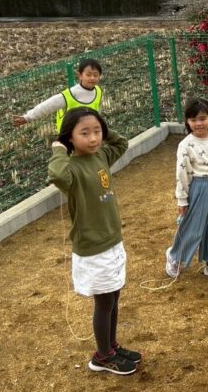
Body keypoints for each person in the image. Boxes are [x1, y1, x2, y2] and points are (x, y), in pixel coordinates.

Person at [49, 107, 141, 376]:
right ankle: (102, 356)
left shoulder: (101, 155)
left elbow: (121, 143)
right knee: (104, 302)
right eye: (84, 133)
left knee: (114, 294)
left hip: (112, 240)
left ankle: (111, 345)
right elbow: (57, 175)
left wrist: (104, 128)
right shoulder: (71, 169)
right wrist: (59, 150)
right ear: (69, 137)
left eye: (97, 131)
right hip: (92, 246)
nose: (93, 138)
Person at [165, 97, 208, 280]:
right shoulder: (186, 145)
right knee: (192, 226)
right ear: (187, 122)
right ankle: (174, 256)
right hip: (198, 187)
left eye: (202, 118)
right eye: (193, 120)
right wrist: (182, 199)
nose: (198, 123)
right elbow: (182, 173)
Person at [14, 57, 104, 130]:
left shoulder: (98, 91)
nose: (92, 78)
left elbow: (97, 111)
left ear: (99, 76)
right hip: (69, 137)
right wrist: (28, 117)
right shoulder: (70, 95)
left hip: (89, 135)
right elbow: (48, 105)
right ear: (80, 75)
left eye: (95, 75)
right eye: (88, 75)